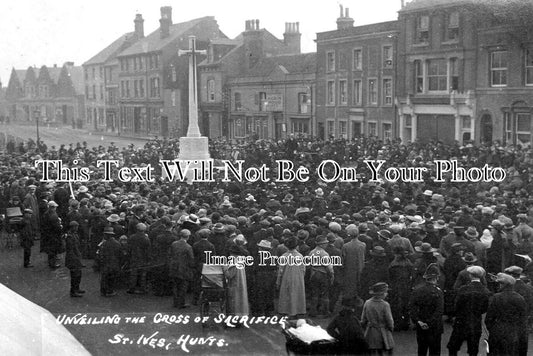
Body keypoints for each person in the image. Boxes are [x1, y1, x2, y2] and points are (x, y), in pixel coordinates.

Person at [446, 266, 490, 356]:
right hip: (475, 323)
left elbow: (456, 305)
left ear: (470, 275)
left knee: (453, 347)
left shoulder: (463, 289)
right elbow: (485, 308)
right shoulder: (485, 291)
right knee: (473, 350)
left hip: (461, 322)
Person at [485, 272, 528, 356]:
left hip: (498, 331)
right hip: (513, 333)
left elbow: (489, 318)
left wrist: (493, 330)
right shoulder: (520, 298)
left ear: (503, 285)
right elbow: (523, 319)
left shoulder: (496, 297)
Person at [410, 263, 444, 356]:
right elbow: (439, 311)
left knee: (422, 350)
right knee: (435, 351)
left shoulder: (417, 290)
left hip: (421, 325)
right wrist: (430, 322)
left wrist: (418, 321)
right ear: (436, 278)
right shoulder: (438, 292)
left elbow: (412, 308)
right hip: (435, 327)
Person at [277, 235, 306, 318]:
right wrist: (301, 277)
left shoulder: (284, 256)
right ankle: (296, 311)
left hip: (286, 278)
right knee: (296, 294)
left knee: (286, 295)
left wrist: (278, 281)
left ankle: (285, 311)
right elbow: (303, 269)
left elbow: (280, 271)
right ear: (296, 246)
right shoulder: (300, 256)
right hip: (298, 278)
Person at [361, 282, 394, 356]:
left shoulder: (367, 303)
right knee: (384, 351)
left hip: (370, 332)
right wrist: (391, 328)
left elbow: (363, 319)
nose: (387, 294)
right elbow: (389, 320)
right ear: (382, 294)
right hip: (383, 332)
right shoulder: (385, 305)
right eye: (386, 292)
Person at [307, 235, 334, 317]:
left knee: (314, 293)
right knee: (325, 294)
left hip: (314, 273)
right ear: (321, 244)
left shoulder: (312, 252)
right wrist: (332, 274)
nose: (326, 245)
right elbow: (329, 266)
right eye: (325, 243)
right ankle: (325, 312)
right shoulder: (324, 254)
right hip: (322, 274)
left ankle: (313, 311)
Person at [168, 229, 195, 308]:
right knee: (183, 287)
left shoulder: (174, 244)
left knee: (175, 286)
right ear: (188, 237)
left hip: (174, 267)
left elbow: (170, 254)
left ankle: (175, 302)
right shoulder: (188, 247)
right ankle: (181, 303)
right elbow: (191, 259)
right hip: (184, 269)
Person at [223, 244, 249, 317]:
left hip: (235, 285)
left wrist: (224, 268)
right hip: (241, 283)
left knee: (235, 303)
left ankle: (235, 319)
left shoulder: (233, 262)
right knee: (241, 302)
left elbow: (229, 275)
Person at [342, 224, 366, 300]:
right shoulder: (363, 245)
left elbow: (343, 258)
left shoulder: (345, 246)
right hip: (360, 266)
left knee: (350, 285)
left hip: (349, 268)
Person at [127, 223, 151, 294]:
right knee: (143, 275)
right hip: (143, 259)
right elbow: (148, 251)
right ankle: (142, 289)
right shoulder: (146, 239)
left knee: (133, 274)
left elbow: (129, 248)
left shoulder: (132, 237)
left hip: (134, 258)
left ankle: (132, 288)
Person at [99, 226, 122, 297]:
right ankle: (110, 291)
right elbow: (120, 255)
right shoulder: (117, 243)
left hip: (106, 263)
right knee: (112, 278)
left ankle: (104, 291)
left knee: (105, 277)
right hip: (114, 263)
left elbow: (100, 254)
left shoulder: (104, 244)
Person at [65, 221, 84, 297]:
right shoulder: (70, 236)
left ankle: (77, 288)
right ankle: (73, 291)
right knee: (74, 275)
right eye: (76, 227)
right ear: (72, 227)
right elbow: (71, 249)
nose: (77, 228)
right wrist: (76, 258)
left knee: (78, 274)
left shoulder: (74, 234)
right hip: (73, 258)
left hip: (77, 257)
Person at [41, 201, 63, 269]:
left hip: (48, 234)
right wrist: (60, 227)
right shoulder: (53, 215)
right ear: (53, 207)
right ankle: (52, 264)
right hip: (53, 235)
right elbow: (56, 226)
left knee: (50, 250)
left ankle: (51, 262)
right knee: (53, 250)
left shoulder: (46, 213)